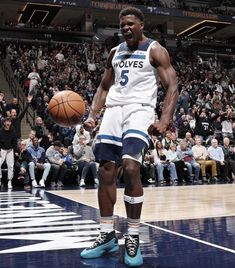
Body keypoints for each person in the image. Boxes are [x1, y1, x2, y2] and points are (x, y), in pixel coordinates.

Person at [80, 7, 178, 267]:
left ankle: (132, 236)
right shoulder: (115, 52)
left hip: (140, 110)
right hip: (113, 110)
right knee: (106, 170)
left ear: (142, 25)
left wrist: (164, 120)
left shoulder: (155, 50)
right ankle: (106, 235)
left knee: (132, 167)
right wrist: (92, 115)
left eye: (130, 23)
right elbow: (103, 86)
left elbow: (172, 86)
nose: (125, 28)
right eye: (122, 24)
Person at [0, 117, 17, 189]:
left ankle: (9, 181)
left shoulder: (13, 131)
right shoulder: (0, 131)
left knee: (10, 166)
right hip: (2, 149)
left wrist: (15, 151)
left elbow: (15, 142)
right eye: (7, 122)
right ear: (4, 123)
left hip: (10, 150)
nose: (8, 123)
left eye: (9, 122)